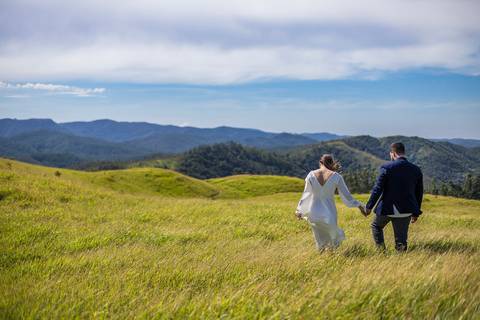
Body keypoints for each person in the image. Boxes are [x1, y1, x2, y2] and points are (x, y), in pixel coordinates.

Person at [295, 154, 367, 250]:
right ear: (332, 163)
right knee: (332, 236)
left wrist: (300, 210)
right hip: (330, 211)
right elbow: (347, 196)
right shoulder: (336, 176)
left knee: (319, 239)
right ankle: (331, 256)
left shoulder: (311, 175)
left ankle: (322, 256)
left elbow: (306, 194)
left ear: (320, 162)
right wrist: (360, 206)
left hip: (314, 211)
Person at [365, 142, 424, 252]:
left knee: (376, 226)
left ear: (393, 153)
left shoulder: (387, 167)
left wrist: (369, 206)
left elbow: (378, 189)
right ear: (403, 152)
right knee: (401, 241)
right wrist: (416, 213)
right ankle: (400, 261)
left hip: (387, 208)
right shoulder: (416, 169)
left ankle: (381, 252)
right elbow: (419, 193)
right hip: (406, 210)